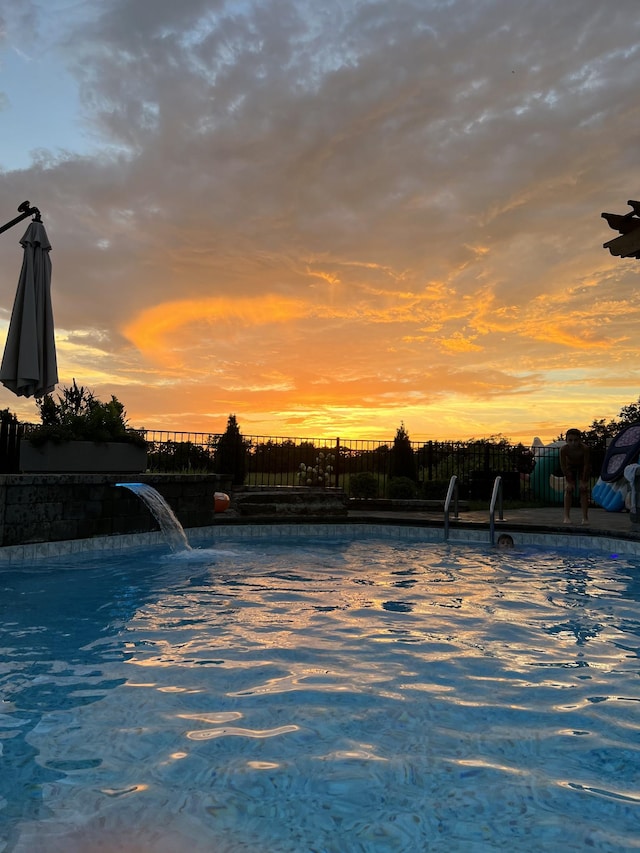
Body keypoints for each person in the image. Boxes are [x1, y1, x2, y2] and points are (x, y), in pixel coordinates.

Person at [559, 428, 591, 525]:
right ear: (566, 441)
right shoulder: (563, 449)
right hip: (570, 467)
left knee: (583, 489)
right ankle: (566, 516)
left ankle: (585, 518)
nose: (573, 443)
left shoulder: (585, 449)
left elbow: (586, 465)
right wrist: (569, 481)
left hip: (582, 467)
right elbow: (563, 466)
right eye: (570, 440)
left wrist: (584, 481)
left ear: (580, 440)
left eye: (576, 440)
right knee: (568, 489)